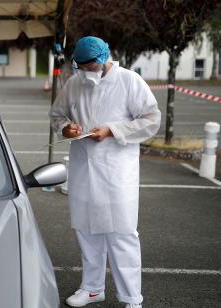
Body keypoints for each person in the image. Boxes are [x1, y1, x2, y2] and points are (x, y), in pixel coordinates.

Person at [49, 36, 161, 308]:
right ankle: (92, 288)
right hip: (83, 168)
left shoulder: (129, 81)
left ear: (102, 60)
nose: (85, 72)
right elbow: (57, 115)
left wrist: (112, 130)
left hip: (116, 171)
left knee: (122, 234)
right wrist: (67, 128)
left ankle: (132, 298)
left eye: (89, 66)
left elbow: (151, 119)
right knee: (87, 230)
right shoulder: (74, 84)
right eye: (81, 67)